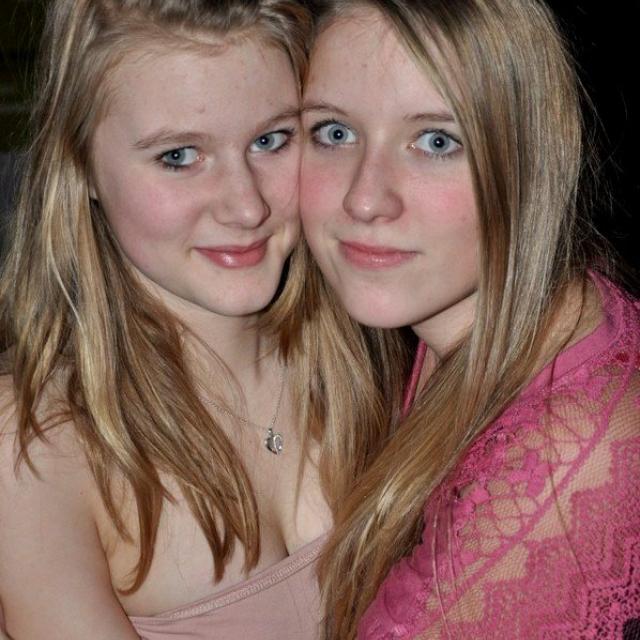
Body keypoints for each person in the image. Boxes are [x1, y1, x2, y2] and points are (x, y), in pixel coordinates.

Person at [0, 1, 407, 638]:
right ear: (80, 167)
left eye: (271, 140)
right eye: (179, 156)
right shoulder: (34, 446)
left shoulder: (382, 346)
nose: (246, 207)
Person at [300, 0, 640, 638]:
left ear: (532, 162)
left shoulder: (567, 456)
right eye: (334, 133)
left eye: (437, 141)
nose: (365, 198)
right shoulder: (477, 331)